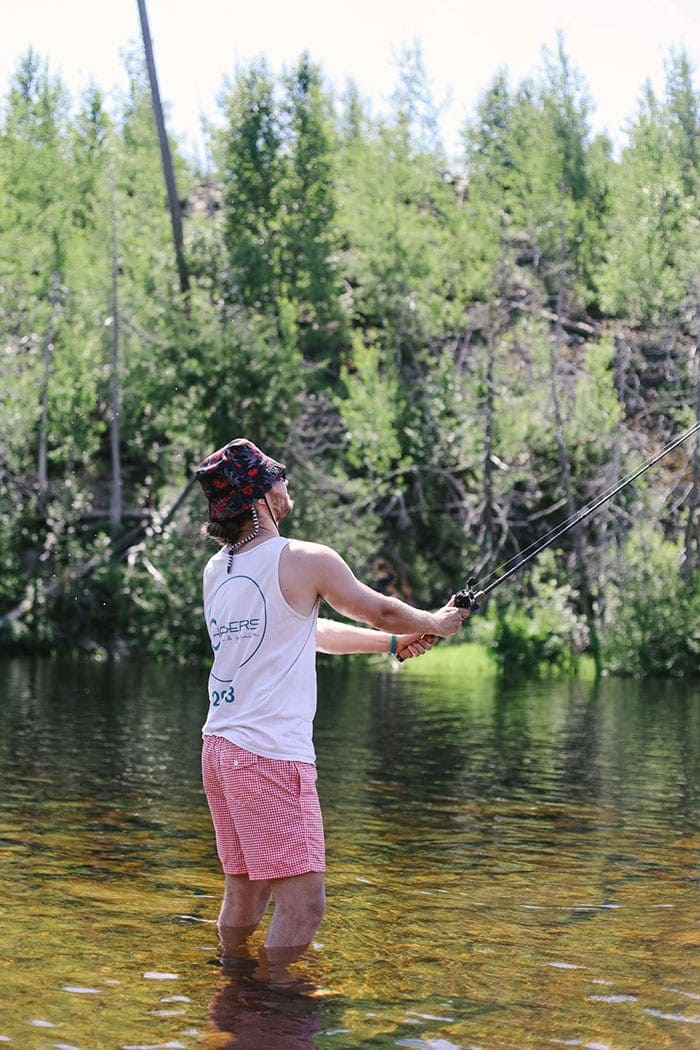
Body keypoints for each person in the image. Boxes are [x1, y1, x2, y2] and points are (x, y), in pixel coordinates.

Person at [195, 437, 479, 966]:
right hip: (269, 757)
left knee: (247, 888)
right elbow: (380, 611)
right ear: (261, 494)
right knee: (304, 905)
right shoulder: (304, 559)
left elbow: (309, 628)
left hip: (221, 750)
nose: (286, 484)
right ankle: (278, 1009)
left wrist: (394, 644)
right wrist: (434, 622)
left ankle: (233, 988)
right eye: (277, 477)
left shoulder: (220, 569)